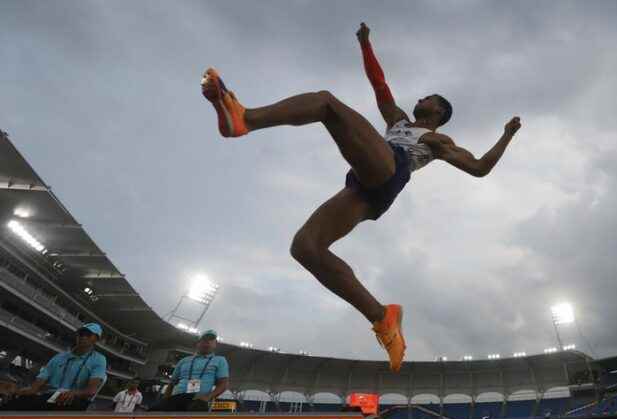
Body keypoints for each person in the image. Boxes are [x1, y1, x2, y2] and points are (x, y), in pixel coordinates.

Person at [200, 22, 522, 372]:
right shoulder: (397, 118)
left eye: (426, 98)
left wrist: (506, 135)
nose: (418, 99)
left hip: (390, 170)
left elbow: (479, 167)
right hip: (365, 189)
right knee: (305, 247)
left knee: (326, 103)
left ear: (439, 112)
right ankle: (383, 318)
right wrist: (366, 44)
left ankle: (245, 118)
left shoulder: (439, 142)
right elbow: (379, 83)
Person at [1, 323, 107, 411]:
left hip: (74, 400)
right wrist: (14, 391)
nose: (84, 336)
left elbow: (91, 391)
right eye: (81, 333)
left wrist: (73, 393)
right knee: (10, 404)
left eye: (88, 334)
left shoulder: (99, 359)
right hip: (49, 397)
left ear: (96, 339)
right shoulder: (59, 357)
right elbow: (34, 388)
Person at [149, 329, 229, 412]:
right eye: (204, 340)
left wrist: (207, 397)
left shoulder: (220, 360)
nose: (207, 342)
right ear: (198, 343)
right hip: (178, 397)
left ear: (215, 344)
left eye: (211, 340)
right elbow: (171, 384)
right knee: (152, 411)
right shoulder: (184, 360)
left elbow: (223, 384)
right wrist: (165, 400)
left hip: (198, 400)